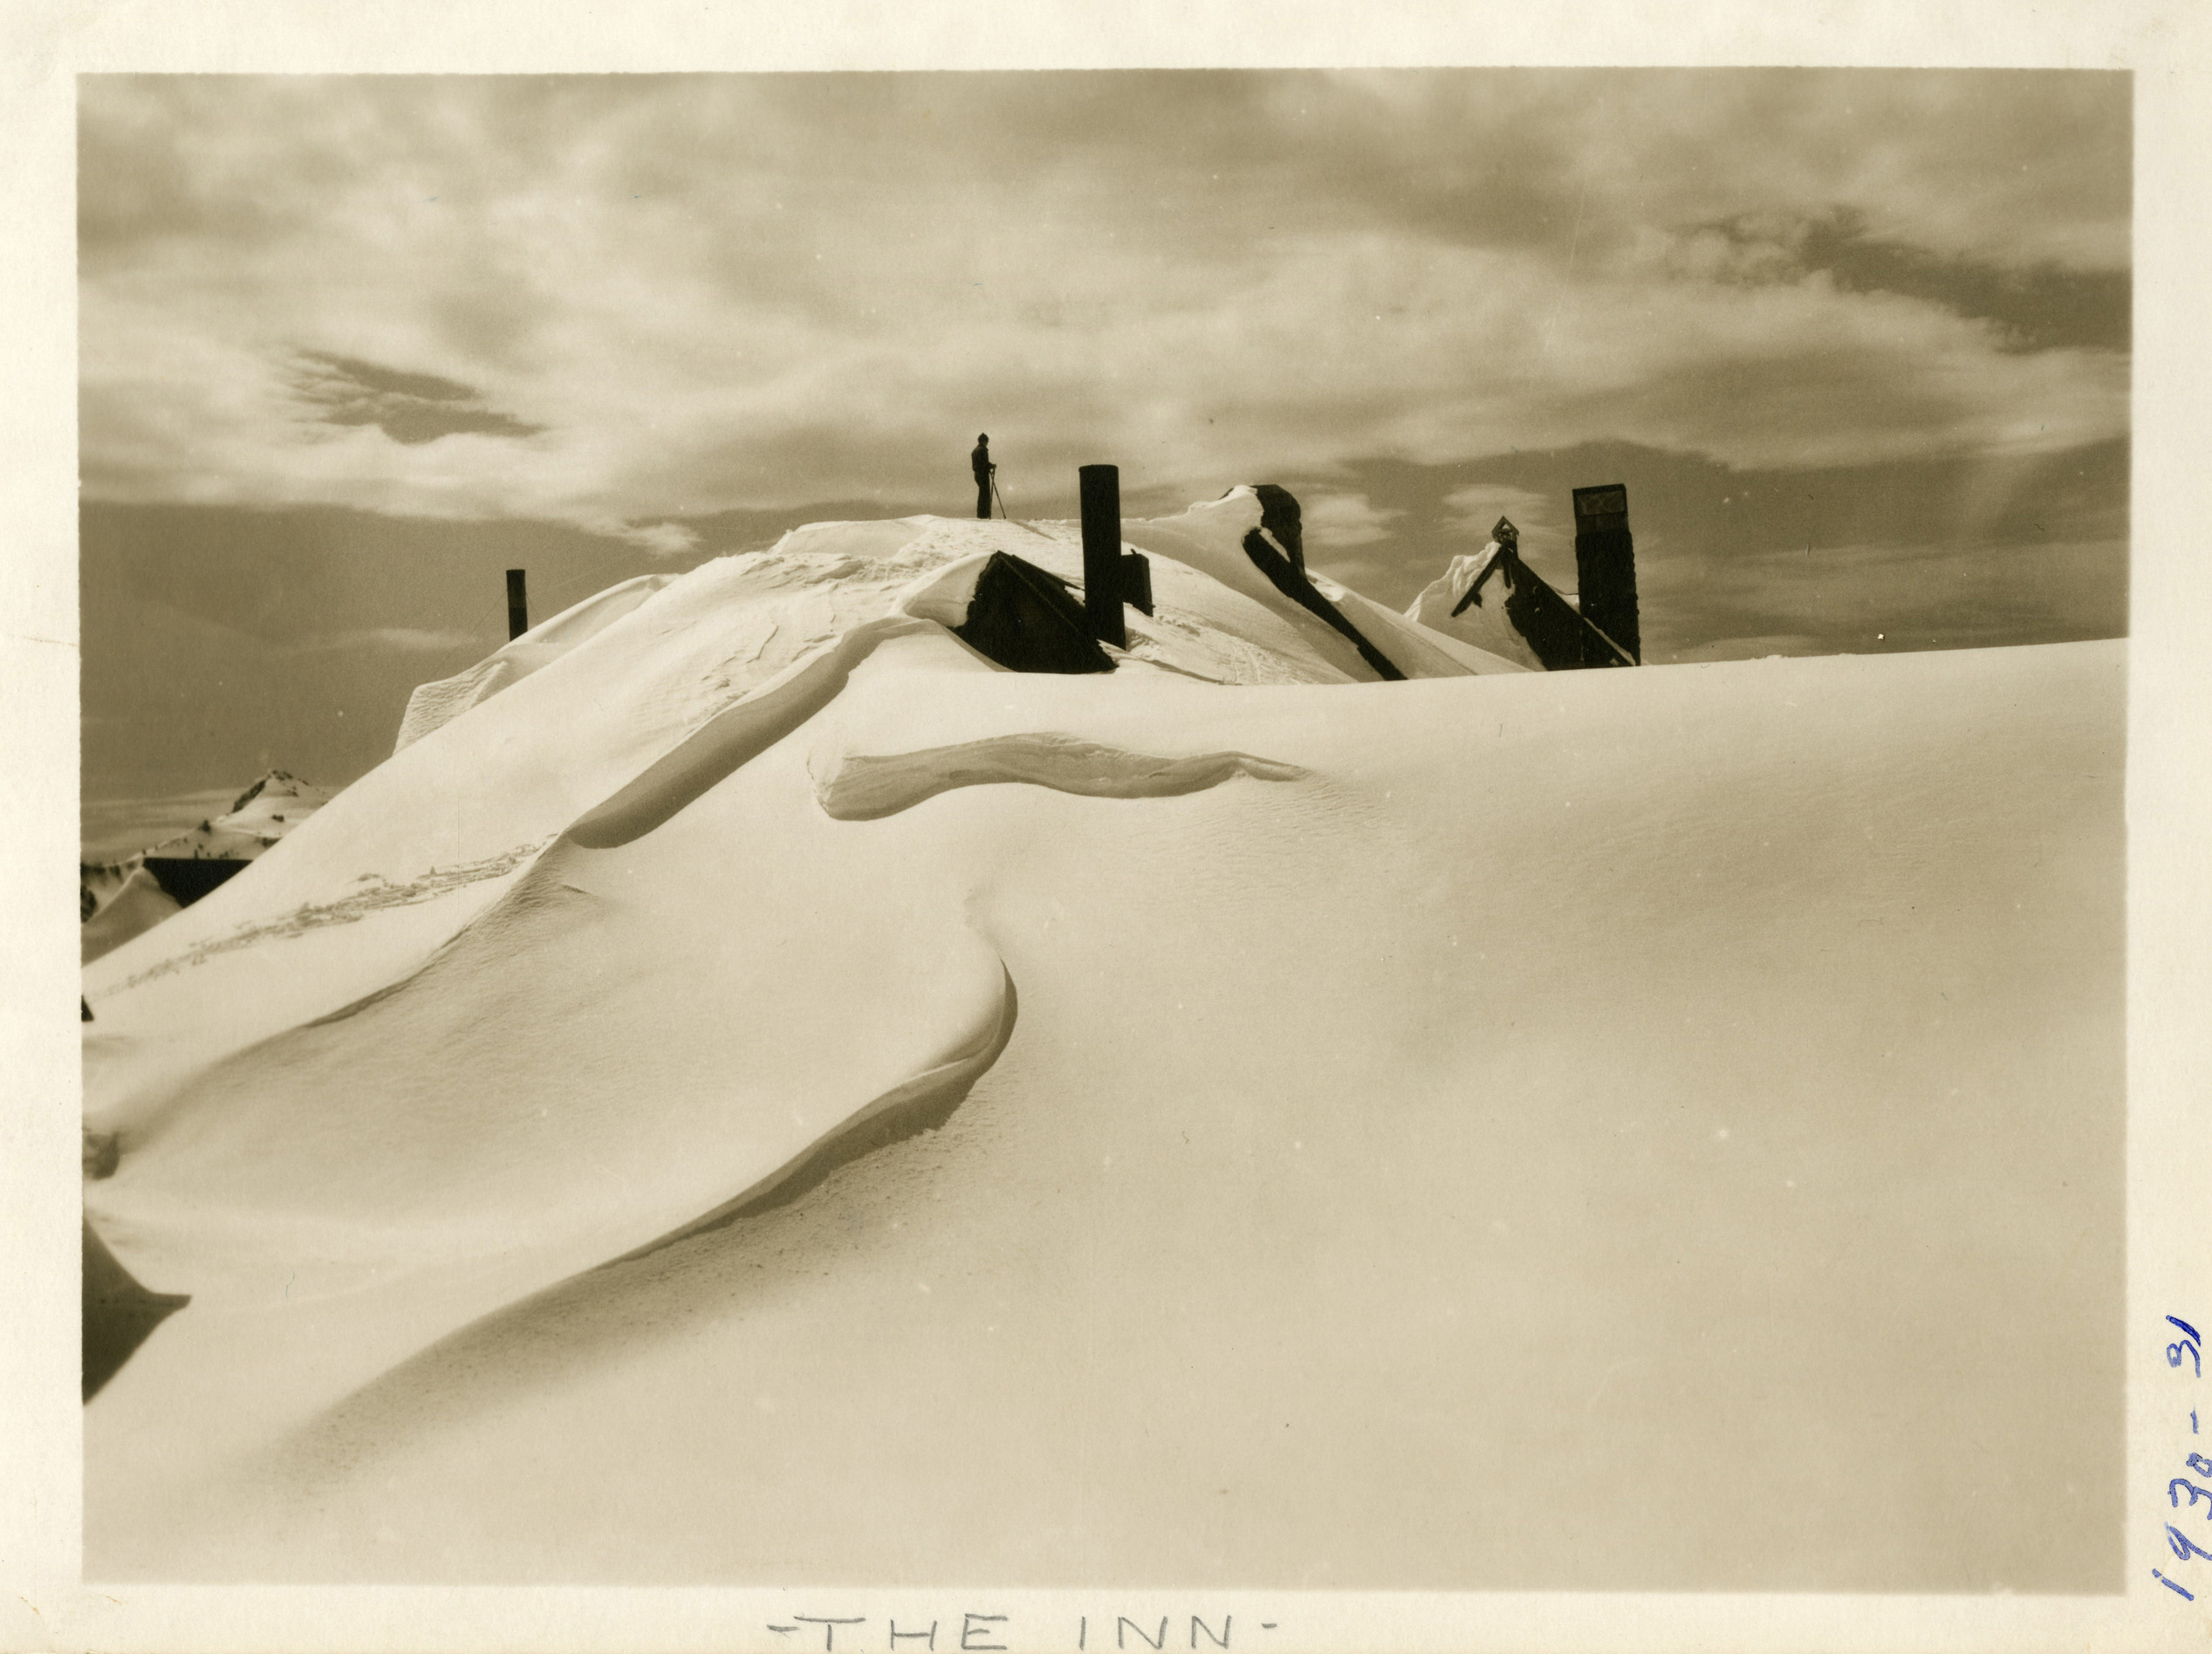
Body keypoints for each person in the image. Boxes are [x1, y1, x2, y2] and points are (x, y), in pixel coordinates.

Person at [971, 434, 995, 519]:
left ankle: (981, 514)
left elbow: (979, 463)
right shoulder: (983, 450)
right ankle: (984, 514)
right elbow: (984, 463)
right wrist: (991, 466)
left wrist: (990, 466)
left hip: (977, 474)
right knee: (985, 495)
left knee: (982, 493)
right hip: (983, 474)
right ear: (984, 441)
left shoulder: (974, 451)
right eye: (987, 441)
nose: (987, 443)